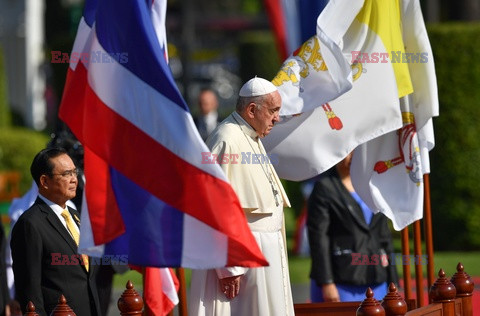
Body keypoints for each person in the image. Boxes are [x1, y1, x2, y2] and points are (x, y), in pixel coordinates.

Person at [189, 77, 294, 315]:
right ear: (252, 109)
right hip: (241, 263)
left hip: (263, 254)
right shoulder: (226, 138)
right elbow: (213, 208)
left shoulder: (251, 135)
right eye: (273, 111)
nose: (277, 118)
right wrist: (228, 268)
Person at [10, 148, 101, 316]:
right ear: (44, 181)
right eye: (66, 174)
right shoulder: (30, 224)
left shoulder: (74, 216)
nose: (74, 179)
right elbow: (29, 291)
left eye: (75, 172)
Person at [306, 152, 398, 302]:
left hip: (377, 280)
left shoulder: (374, 185)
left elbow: (384, 236)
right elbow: (318, 239)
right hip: (340, 282)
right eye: (347, 151)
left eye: (356, 151)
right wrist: (327, 282)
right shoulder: (324, 188)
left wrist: (393, 280)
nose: (351, 157)